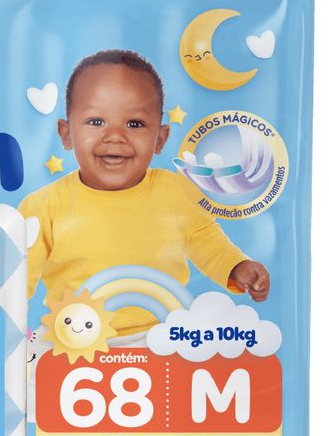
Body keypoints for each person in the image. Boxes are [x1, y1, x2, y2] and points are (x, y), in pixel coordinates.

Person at [19, 49, 270, 339]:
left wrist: (236, 266)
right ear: (66, 134)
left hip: (162, 339)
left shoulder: (176, 193)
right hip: (75, 341)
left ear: (160, 139)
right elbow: (17, 277)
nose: (115, 136)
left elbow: (205, 239)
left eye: (134, 124)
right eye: (96, 121)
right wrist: (2, 320)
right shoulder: (44, 206)